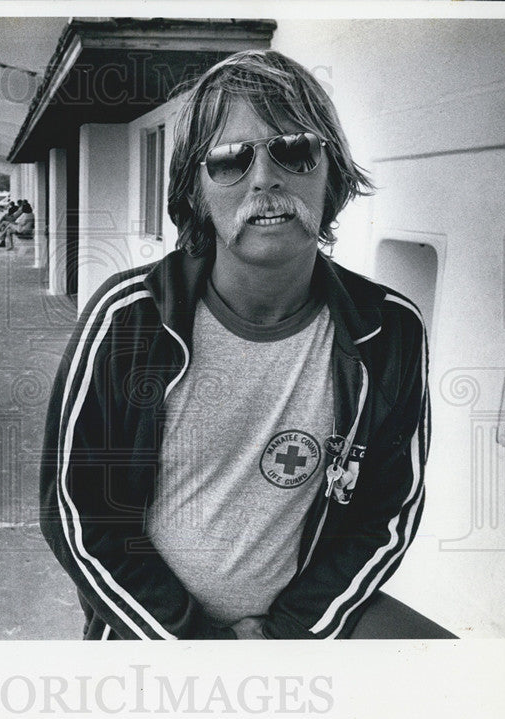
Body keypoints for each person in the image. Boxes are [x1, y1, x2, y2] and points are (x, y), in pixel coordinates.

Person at [39, 50, 435, 640]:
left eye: (295, 148)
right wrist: (200, 643)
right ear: (194, 192)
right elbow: (75, 513)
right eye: (229, 159)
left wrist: (288, 638)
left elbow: (385, 514)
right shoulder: (129, 322)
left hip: (303, 629)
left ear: (332, 175)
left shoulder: (388, 332)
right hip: (155, 632)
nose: (264, 177)